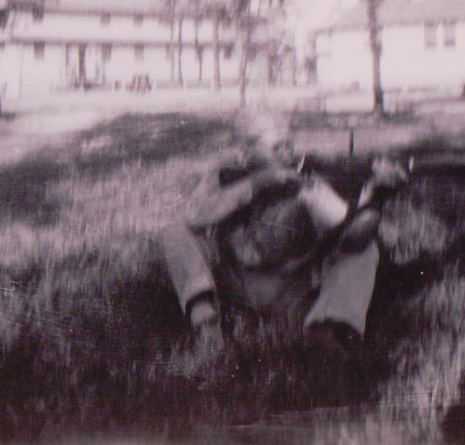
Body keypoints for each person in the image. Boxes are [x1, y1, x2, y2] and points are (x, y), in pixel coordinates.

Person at [161, 111, 407, 354]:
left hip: (289, 289)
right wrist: (260, 182)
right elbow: (195, 216)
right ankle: (206, 323)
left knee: (364, 252)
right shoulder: (225, 176)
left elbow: (353, 236)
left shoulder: (305, 181)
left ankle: (327, 326)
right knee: (175, 230)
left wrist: (376, 199)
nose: (288, 153)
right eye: (277, 147)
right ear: (244, 153)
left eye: (290, 145)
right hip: (234, 283)